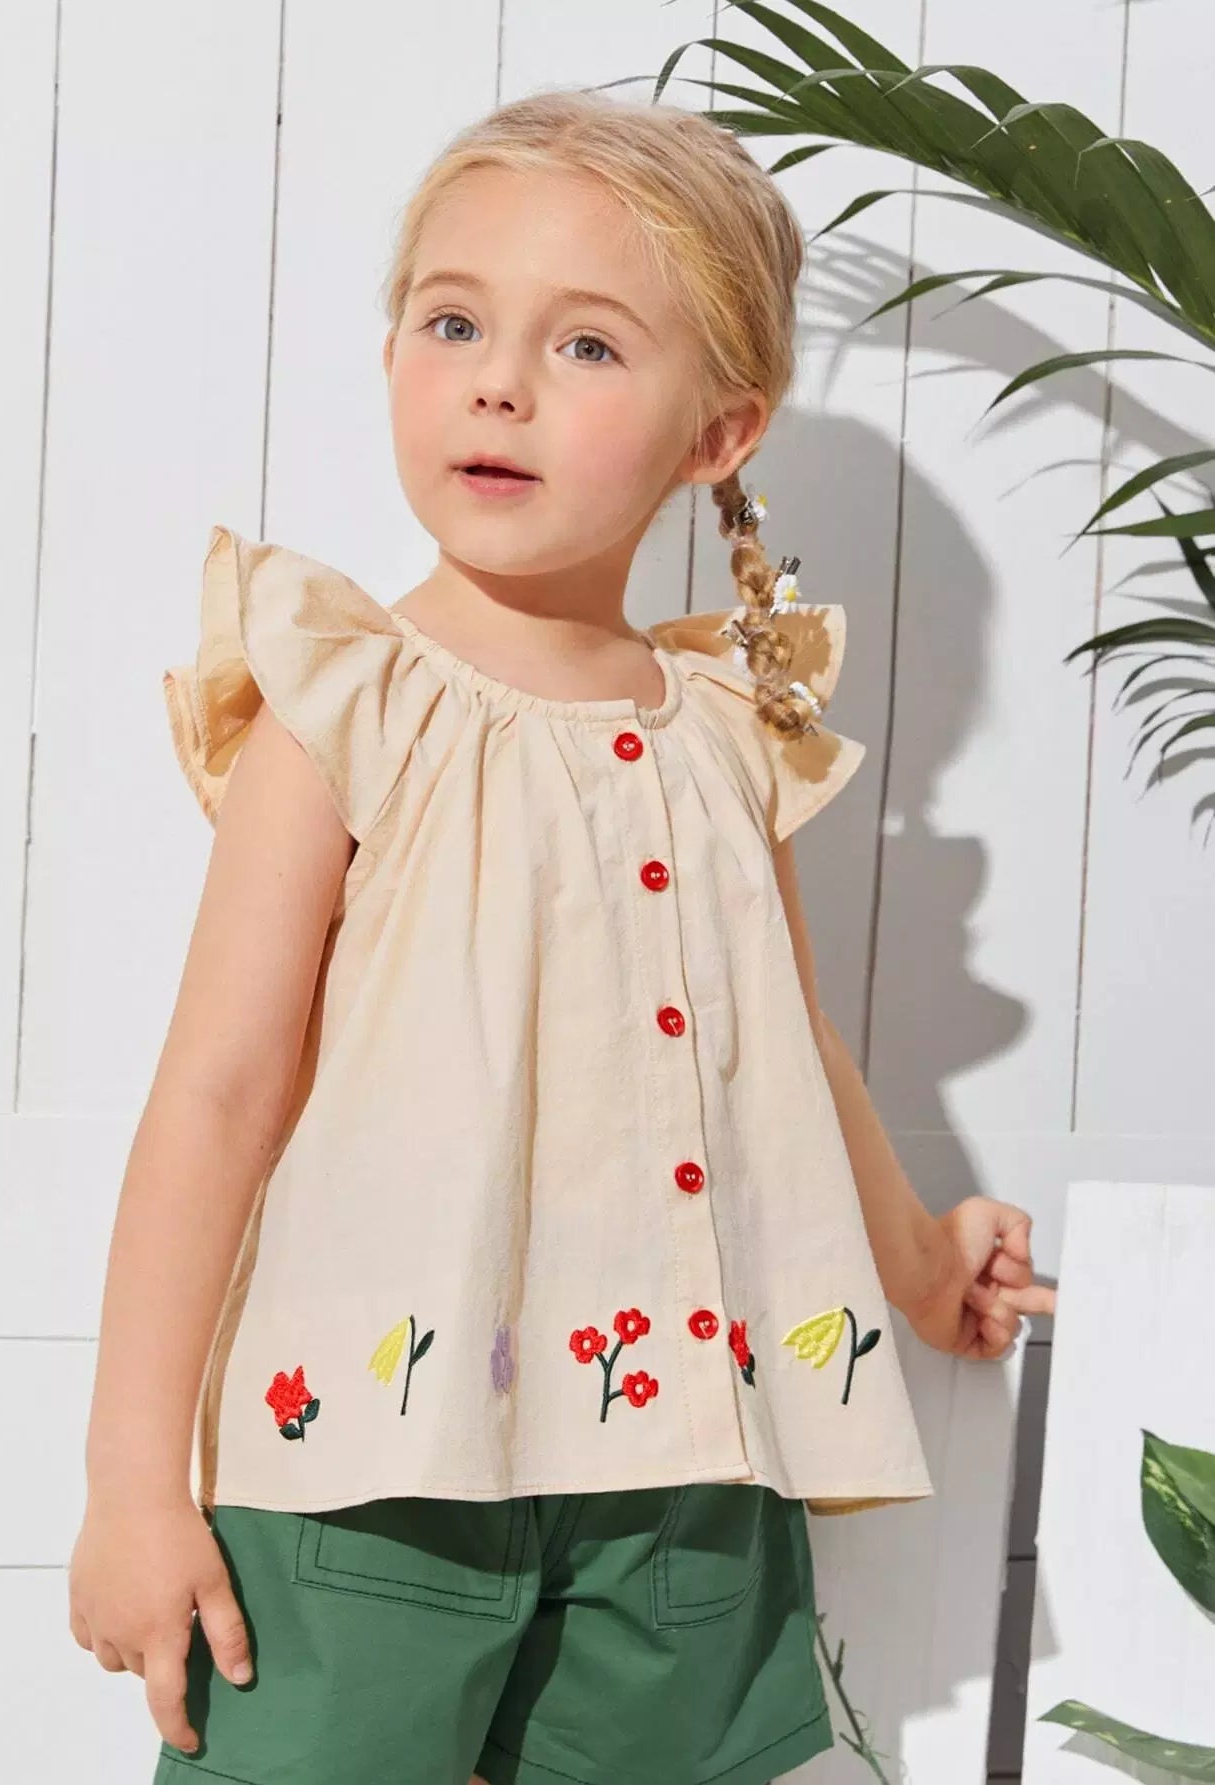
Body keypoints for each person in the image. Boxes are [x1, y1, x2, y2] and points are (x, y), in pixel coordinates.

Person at [68, 89, 1056, 1785]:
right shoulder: (343, 698)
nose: (498, 383)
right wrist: (130, 1485)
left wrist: (917, 1259)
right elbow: (216, 1093)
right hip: (364, 1465)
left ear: (718, 432)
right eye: (453, 321)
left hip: (683, 1477)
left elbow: (791, 1044)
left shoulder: (728, 729)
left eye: (586, 345)